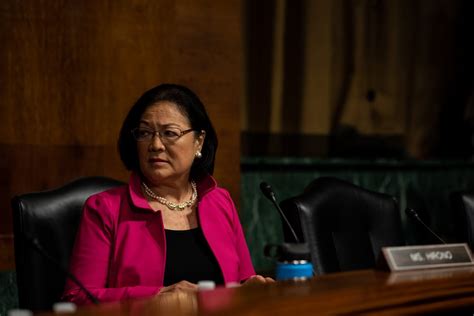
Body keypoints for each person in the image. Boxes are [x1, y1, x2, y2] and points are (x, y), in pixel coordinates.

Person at [62, 83, 272, 305]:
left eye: (169, 133)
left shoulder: (219, 201)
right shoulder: (104, 210)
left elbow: (241, 282)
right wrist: (158, 296)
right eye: (144, 133)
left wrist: (250, 288)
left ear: (198, 141)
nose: (155, 145)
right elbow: (77, 299)